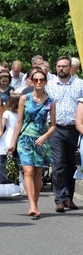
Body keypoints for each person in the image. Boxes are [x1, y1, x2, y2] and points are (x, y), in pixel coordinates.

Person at [8, 68, 55, 218]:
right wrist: (12, 143)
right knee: (28, 171)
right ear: (31, 81)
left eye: (41, 80)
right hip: (25, 139)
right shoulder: (24, 98)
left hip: (40, 140)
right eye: (36, 80)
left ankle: (35, 203)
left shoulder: (50, 101)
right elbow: (19, 122)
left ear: (46, 82)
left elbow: (53, 125)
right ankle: (32, 205)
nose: (39, 82)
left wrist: (45, 136)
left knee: (38, 173)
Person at [45, 55, 83, 212]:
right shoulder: (50, 85)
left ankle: (69, 198)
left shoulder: (80, 84)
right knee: (59, 164)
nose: (61, 68)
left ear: (70, 68)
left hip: (74, 129)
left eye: (64, 66)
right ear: (56, 68)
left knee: (71, 164)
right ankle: (59, 199)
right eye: (59, 66)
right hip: (56, 129)